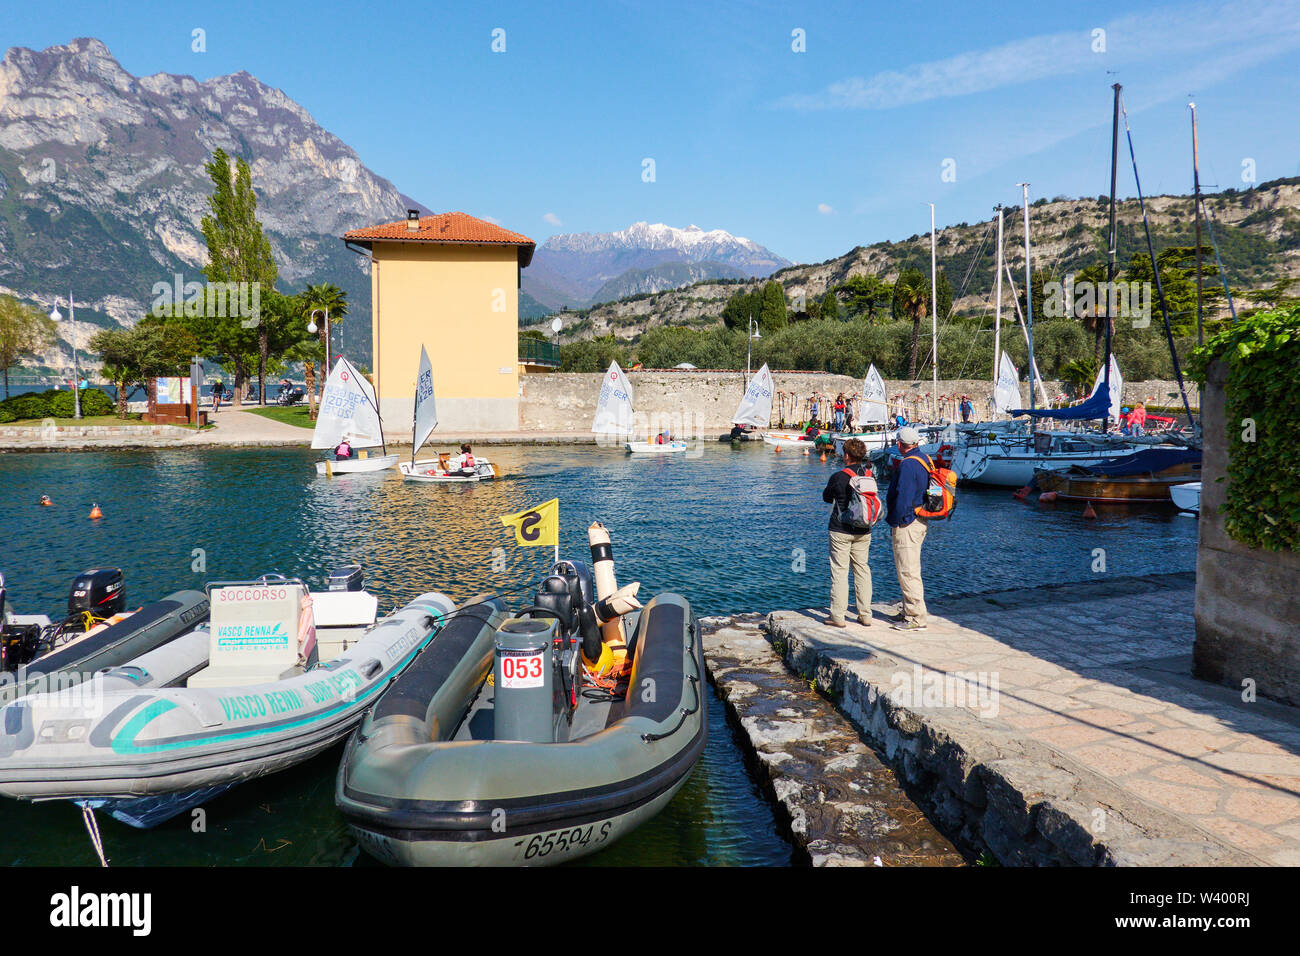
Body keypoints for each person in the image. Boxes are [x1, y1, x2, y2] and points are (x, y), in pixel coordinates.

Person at [822, 438, 873, 628]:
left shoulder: (839, 476)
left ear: (847, 455)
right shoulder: (870, 474)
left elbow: (827, 498)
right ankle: (865, 615)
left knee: (840, 572)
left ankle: (838, 616)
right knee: (862, 570)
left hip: (840, 530)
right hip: (864, 529)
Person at [886, 427, 931, 631]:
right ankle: (908, 610)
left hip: (908, 522)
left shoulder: (907, 465)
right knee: (909, 567)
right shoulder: (924, 459)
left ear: (899, 444)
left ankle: (915, 617)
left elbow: (903, 497)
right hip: (920, 519)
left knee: (908, 570)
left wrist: (895, 521)